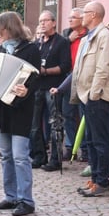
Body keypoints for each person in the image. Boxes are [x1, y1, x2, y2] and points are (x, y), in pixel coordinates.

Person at [0, 11, 41, 216]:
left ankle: (26, 200)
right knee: (6, 156)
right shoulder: (2, 49)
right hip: (2, 109)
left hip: (20, 111)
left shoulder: (31, 49)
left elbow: (36, 78)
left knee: (20, 156)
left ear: (10, 29)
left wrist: (27, 90)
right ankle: (11, 196)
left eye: (0, 29)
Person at [72, 1, 109, 197]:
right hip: (86, 96)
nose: (81, 16)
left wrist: (94, 94)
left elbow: (103, 67)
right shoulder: (87, 38)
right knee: (90, 141)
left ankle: (102, 182)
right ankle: (95, 179)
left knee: (100, 141)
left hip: (98, 97)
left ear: (93, 15)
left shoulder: (104, 36)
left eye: (85, 12)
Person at [31, 10, 71, 172]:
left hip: (53, 88)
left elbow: (65, 66)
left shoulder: (61, 42)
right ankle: (39, 156)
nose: (42, 23)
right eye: (40, 21)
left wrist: (46, 71)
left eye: (45, 20)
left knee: (55, 124)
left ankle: (55, 159)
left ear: (54, 23)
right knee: (34, 124)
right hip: (37, 88)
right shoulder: (37, 43)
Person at [62, 8, 89, 168]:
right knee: (68, 114)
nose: (70, 20)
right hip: (68, 78)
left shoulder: (89, 34)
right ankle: (70, 146)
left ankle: (85, 148)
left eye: (74, 17)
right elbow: (59, 49)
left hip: (84, 78)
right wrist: (68, 40)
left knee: (83, 115)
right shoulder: (66, 34)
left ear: (82, 19)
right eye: (69, 17)